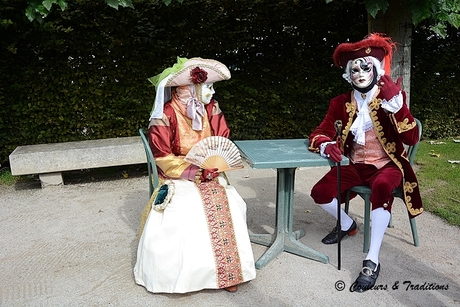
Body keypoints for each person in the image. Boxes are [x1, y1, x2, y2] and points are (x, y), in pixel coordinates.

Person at [308, 34, 423, 292]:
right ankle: (348, 225)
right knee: (320, 192)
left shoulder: (391, 97)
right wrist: (326, 144)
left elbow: (412, 137)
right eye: (354, 68)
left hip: (388, 165)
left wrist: (399, 108)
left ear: (376, 69)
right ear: (349, 74)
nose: (360, 72)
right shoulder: (340, 103)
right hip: (356, 165)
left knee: (382, 188)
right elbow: (320, 131)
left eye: (365, 66)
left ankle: (371, 259)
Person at [133, 57, 256, 294]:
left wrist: (213, 165)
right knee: (187, 208)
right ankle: (185, 277)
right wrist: (193, 171)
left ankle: (228, 272)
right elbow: (161, 156)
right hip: (178, 175)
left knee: (230, 201)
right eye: (207, 86)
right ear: (189, 88)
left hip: (210, 172)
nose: (211, 91)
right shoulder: (165, 113)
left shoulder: (211, 108)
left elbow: (222, 141)